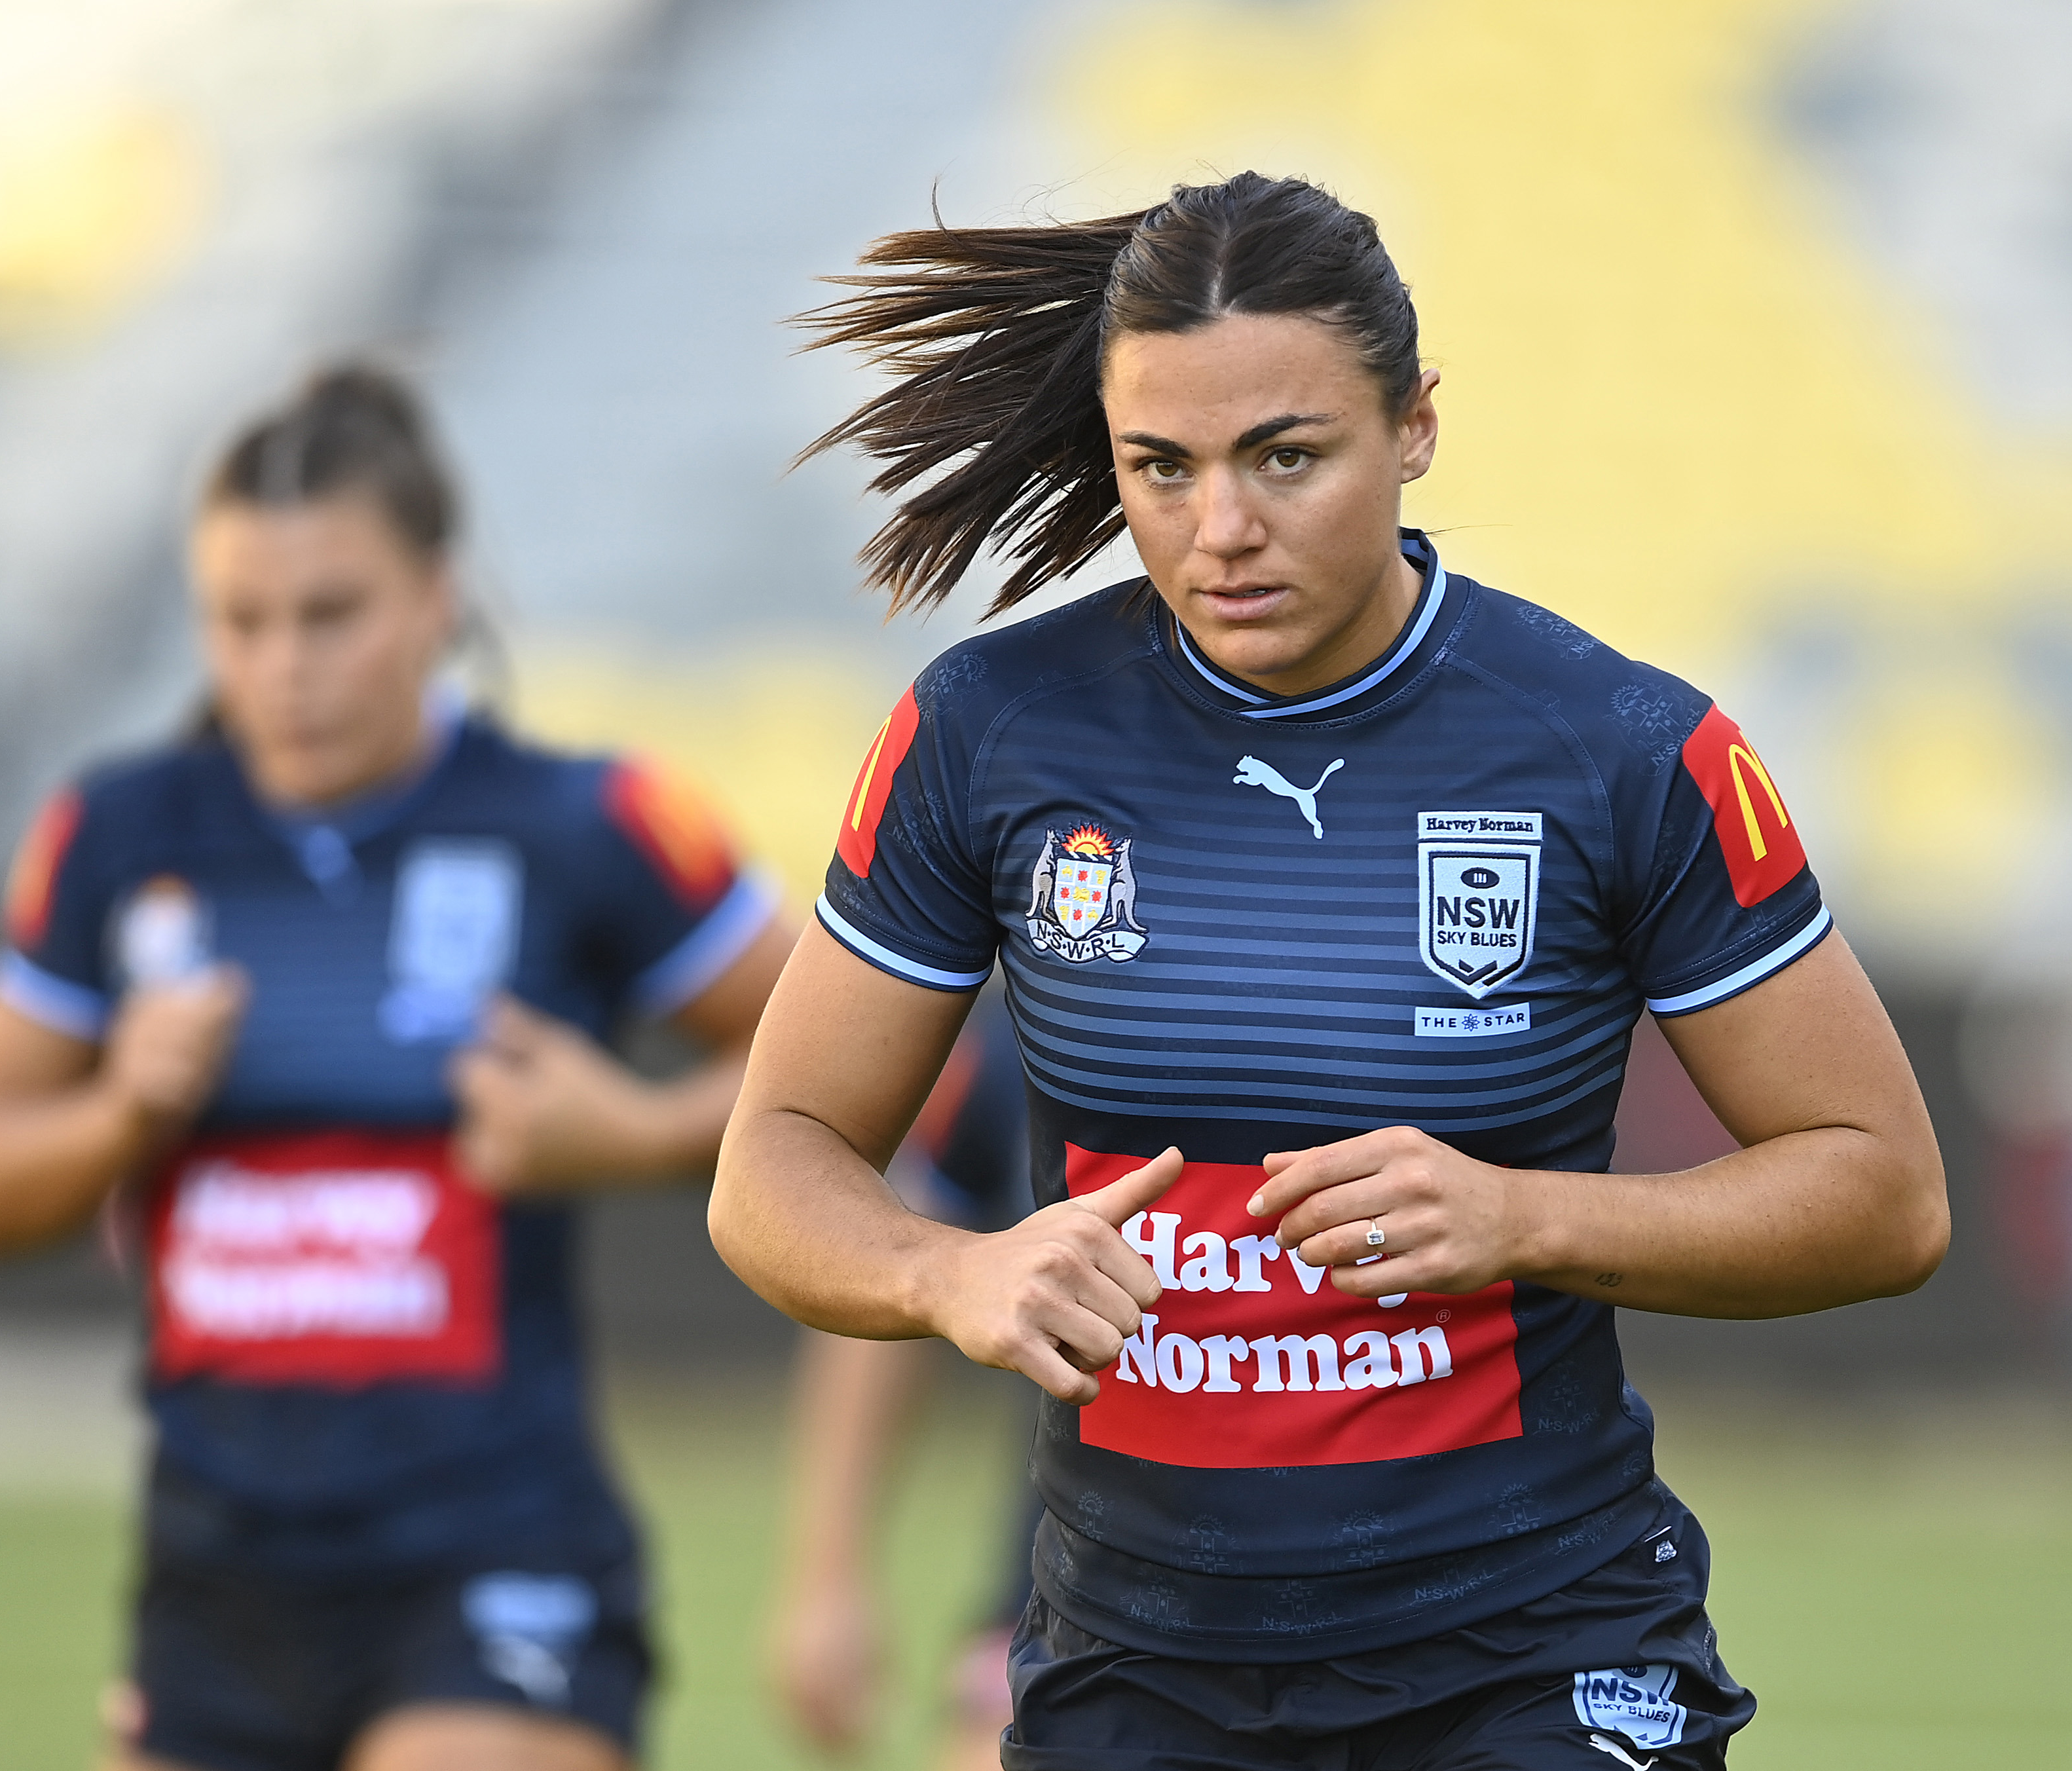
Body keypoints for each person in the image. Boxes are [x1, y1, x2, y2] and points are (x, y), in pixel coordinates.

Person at [708, 173, 1948, 1770]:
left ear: (1415, 425)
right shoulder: (988, 733)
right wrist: (952, 1274)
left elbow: (1885, 1196)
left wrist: (1525, 1216)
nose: (1221, 529)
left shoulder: (1624, 749)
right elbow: (775, 1169)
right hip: (1133, 1666)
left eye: (1286, 457)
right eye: (1162, 468)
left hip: (1538, 1651)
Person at [0, 365, 793, 1771]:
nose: (282, 665)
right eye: (240, 620)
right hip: (213, 1576)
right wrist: (120, 1109)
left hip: (494, 1550)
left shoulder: (582, 821)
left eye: (331, 613)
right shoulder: (118, 831)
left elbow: (876, 1070)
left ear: (436, 597)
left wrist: (630, 1130)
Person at [769, 999, 1037, 1771]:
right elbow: (886, 1269)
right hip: (1070, 1596)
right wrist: (828, 1574)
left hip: (1392, 1609)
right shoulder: (1021, 1034)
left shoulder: (1397, 1029)